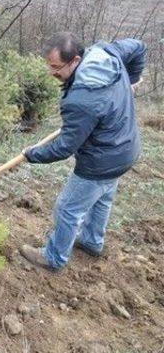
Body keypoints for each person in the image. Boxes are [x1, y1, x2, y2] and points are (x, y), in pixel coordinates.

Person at [20, 32, 147, 271]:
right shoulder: (107, 54)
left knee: (68, 208)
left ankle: (54, 258)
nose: (52, 73)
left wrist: (31, 154)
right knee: (103, 199)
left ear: (76, 60)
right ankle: (91, 241)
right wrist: (131, 80)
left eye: (56, 67)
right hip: (126, 149)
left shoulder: (81, 100)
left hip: (102, 160)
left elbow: (64, 147)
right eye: (49, 65)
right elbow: (138, 47)